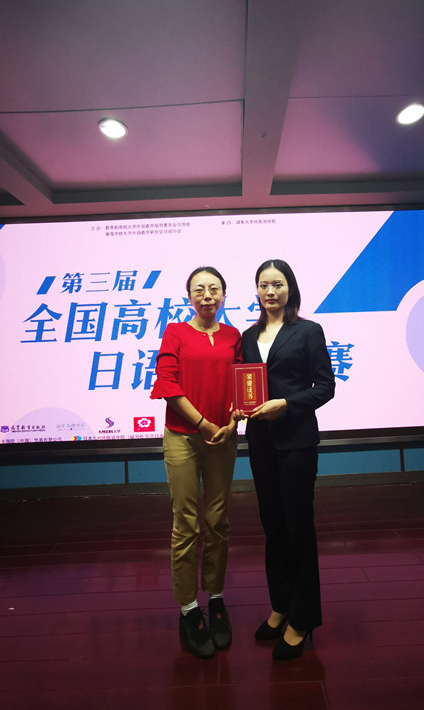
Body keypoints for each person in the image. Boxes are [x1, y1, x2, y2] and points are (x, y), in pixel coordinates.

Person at [237, 259, 335, 661]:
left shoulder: (308, 331)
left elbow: (325, 387)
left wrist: (286, 404)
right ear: (257, 291)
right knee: (273, 527)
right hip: (260, 443)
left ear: (290, 288)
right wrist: (239, 407)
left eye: (277, 284)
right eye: (264, 285)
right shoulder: (248, 336)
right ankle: (280, 606)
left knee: (298, 529)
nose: (270, 291)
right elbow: (244, 384)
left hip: (296, 443)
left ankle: (303, 618)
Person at [150, 266, 242, 659]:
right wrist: (204, 424)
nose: (207, 295)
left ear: (223, 295)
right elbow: (166, 383)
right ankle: (189, 609)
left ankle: (216, 598)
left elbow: (244, 382)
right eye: (199, 289)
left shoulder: (234, 336)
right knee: (186, 522)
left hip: (224, 436)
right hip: (184, 438)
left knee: (218, 520)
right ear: (189, 297)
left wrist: (234, 421)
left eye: (214, 289)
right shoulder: (175, 332)